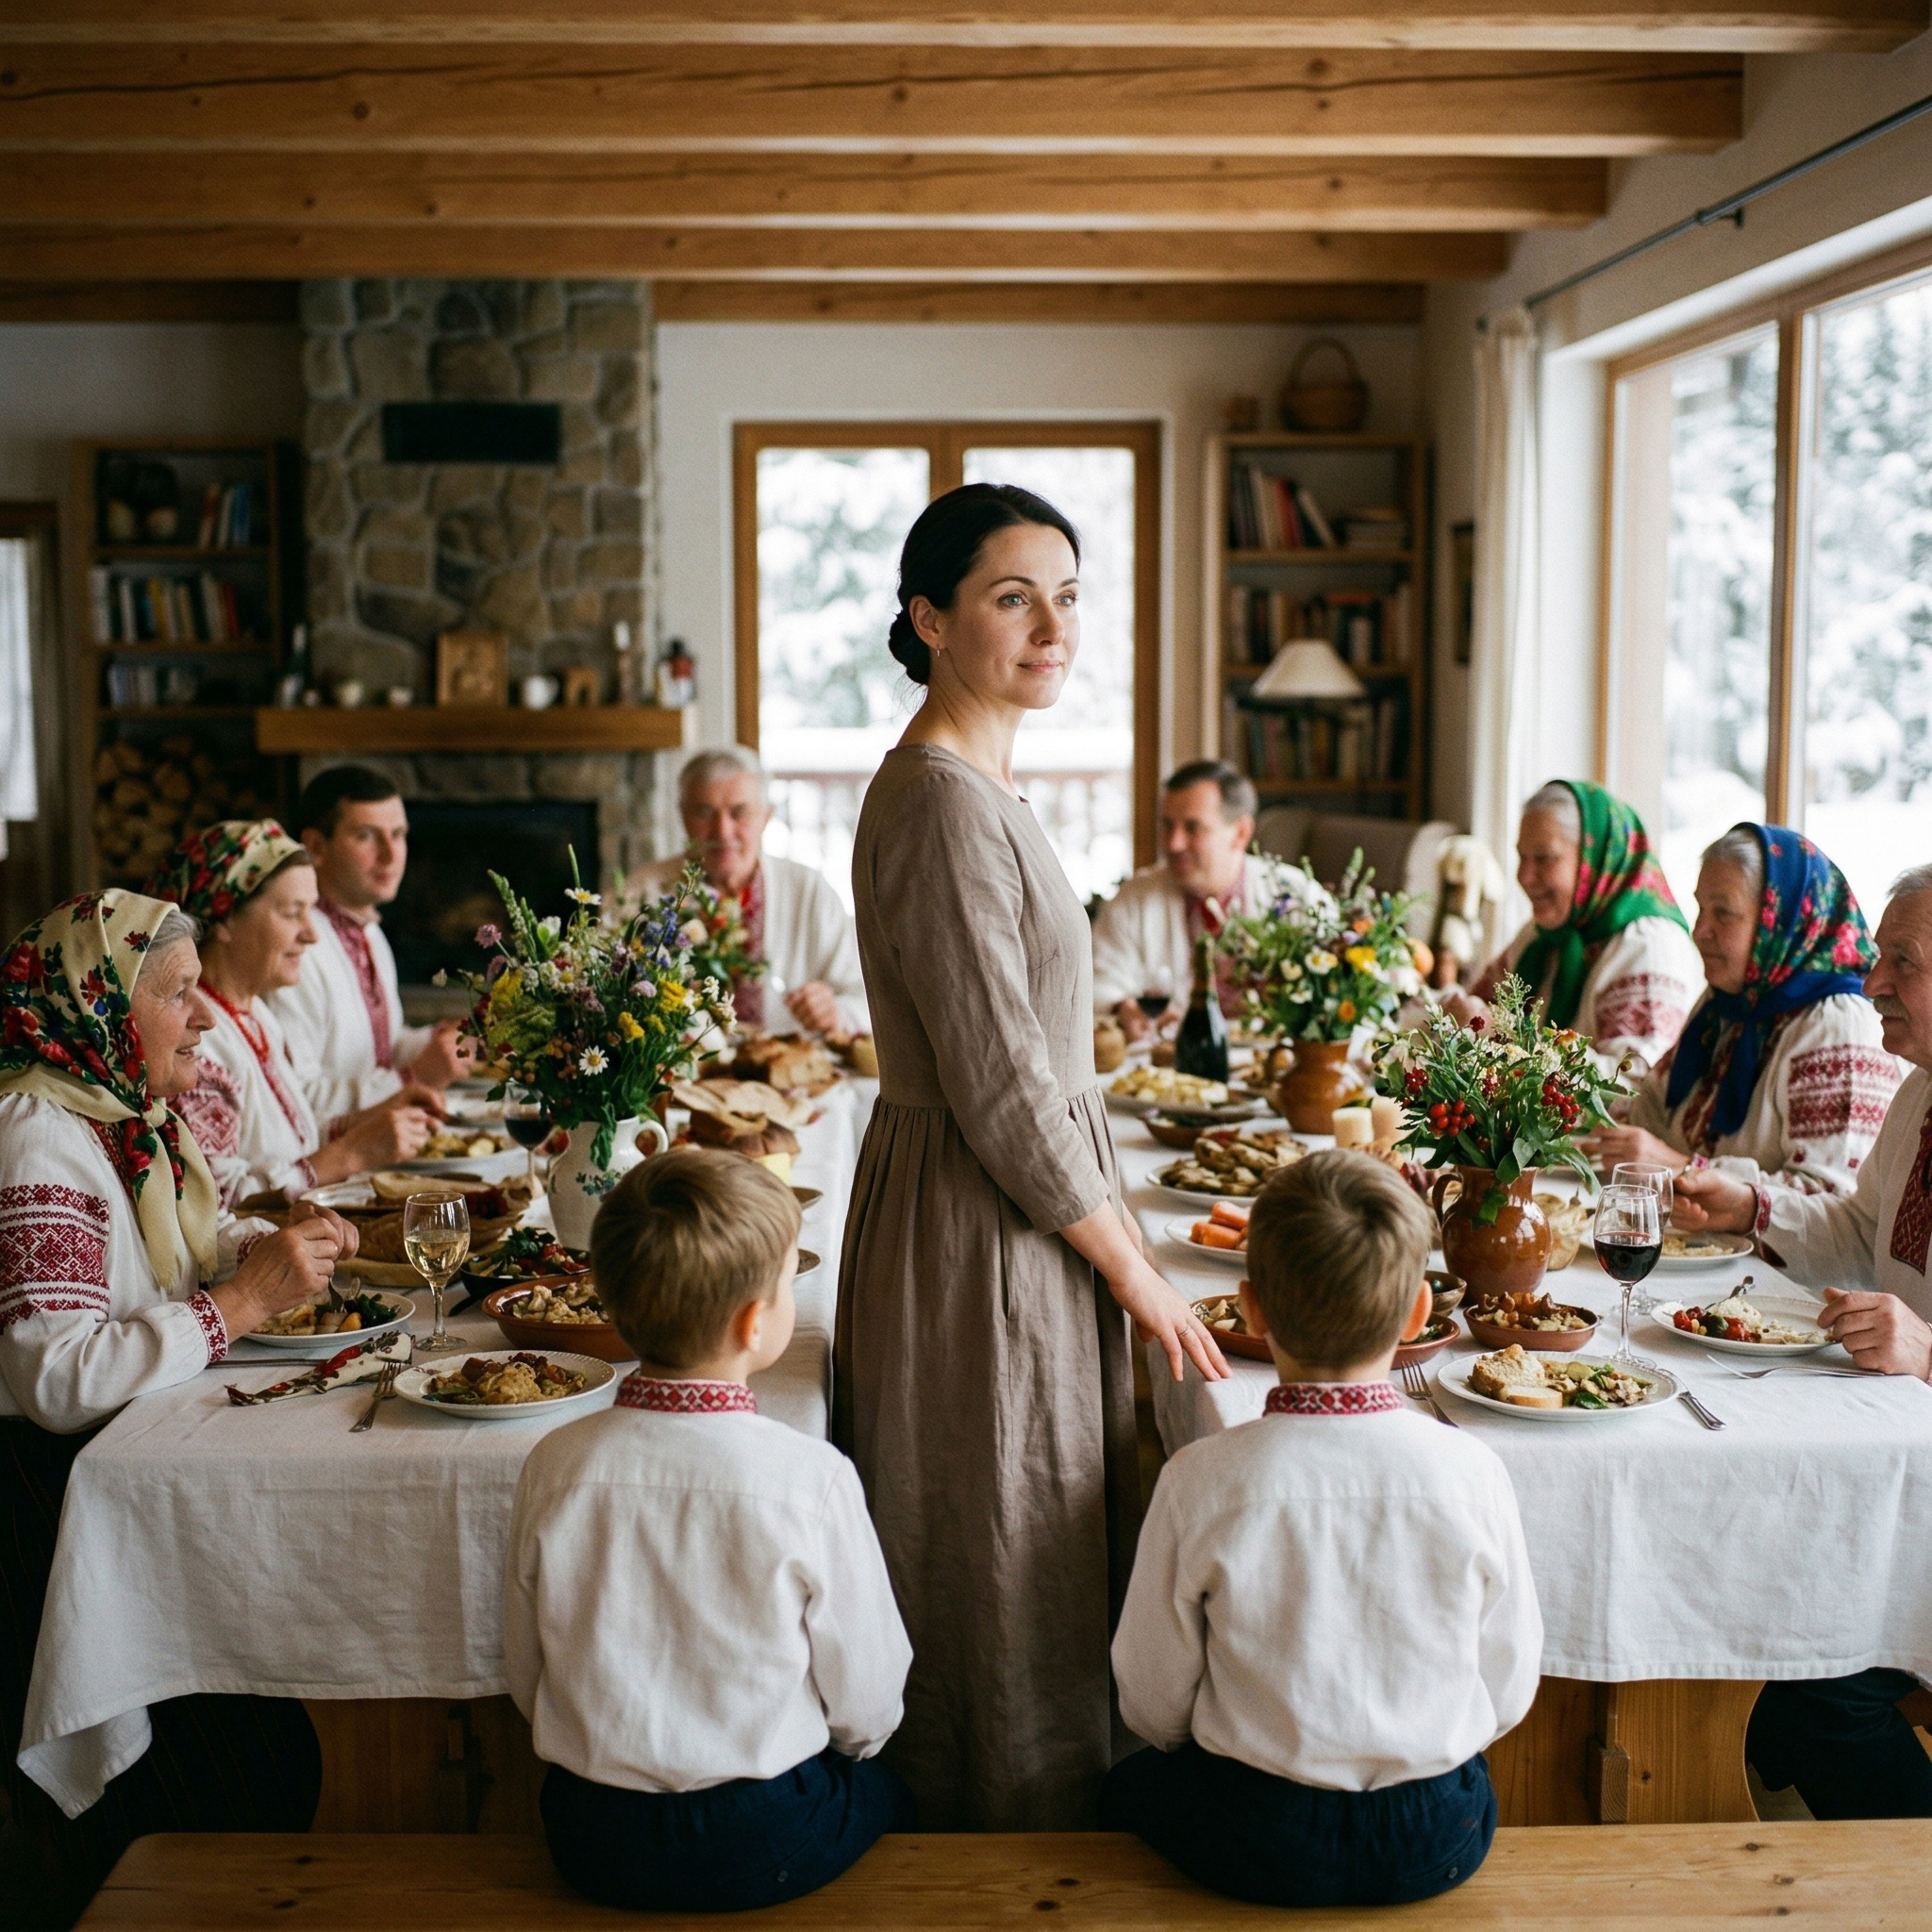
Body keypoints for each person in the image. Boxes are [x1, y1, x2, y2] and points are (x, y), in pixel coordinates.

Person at [835, 482, 1226, 1832]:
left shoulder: (984, 780)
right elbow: (1003, 1088)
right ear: (931, 619)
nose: (1054, 624)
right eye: (1015, 596)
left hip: (1011, 1204)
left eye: (1067, 594)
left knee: (1021, 1503)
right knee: (992, 1519)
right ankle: (993, 1837)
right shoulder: (943, 802)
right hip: (981, 1218)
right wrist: (1137, 1271)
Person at [0, 890, 358, 1920]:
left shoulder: (117, 1116)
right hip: (50, 1506)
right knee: (242, 1759)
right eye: (178, 993)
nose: (204, 1017)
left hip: (135, 1469)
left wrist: (261, 1252)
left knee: (279, 1702)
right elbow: (52, 1375)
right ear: (100, 1002)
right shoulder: (36, 1134)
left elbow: (157, 1274)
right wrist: (242, 1302)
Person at [1104, 1151, 1541, 1907]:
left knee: (1122, 1785)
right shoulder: (1474, 1472)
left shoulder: (1198, 1481)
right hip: (1435, 1832)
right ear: (1415, 1314)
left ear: (1251, 1309)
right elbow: (1507, 1687)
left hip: (1257, 1830)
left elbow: (1152, 1700)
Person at [506, 1148, 913, 1912]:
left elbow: (527, 1669)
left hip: (592, 1834)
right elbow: (869, 1695)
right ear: (756, 1321)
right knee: (892, 1790)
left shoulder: (553, 1464)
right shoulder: (809, 1478)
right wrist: (853, 1752)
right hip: (763, 1833)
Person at [1671, 863, 1932, 1824]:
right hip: (1896, 1457)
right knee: (1753, 1605)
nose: (1870, 984)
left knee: (1808, 1685)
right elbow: (1858, 1234)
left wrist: (1925, 1349)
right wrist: (1752, 1203)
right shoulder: (1916, 1095)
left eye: (1899, 962)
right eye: (1875, 958)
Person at [1584, 824, 1901, 1200]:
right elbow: (1652, 1104)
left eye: (1724, 913)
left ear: (1781, 919)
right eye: (1701, 908)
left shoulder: (1838, 1026)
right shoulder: (1725, 1005)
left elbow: (1832, 1199)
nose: (1700, 930)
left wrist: (1682, 1169)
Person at [150, 820, 437, 1206]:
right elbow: (216, 1202)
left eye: (311, 912)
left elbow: (289, 1144)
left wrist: (372, 1119)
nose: (312, 933)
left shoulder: (256, 1017)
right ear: (225, 919)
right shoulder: (196, 1041)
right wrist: (353, 1154)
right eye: (291, 913)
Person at [267, 766, 472, 1125]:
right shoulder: (295, 948)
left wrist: (439, 1040)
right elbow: (296, 1101)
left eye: (398, 834)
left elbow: (381, 1049)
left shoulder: (369, 931)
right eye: (366, 836)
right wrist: (415, 1077)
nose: (392, 856)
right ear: (315, 846)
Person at [1454, 779, 1701, 1076]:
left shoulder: (1646, 947)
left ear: (1593, 859)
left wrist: (1506, 1042)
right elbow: (1478, 1004)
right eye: (1522, 857)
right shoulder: (1541, 935)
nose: (1525, 876)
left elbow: (1633, 1089)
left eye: (1544, 858)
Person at [629, 747, 868, 1038]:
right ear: (682, 816)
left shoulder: (810, 892)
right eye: (704, 813)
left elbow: (867, 997)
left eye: (739, 813)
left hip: (789, 1068)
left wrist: (835, 1011)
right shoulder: (639, 894)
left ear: (766, 817)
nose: (722, 832)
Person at [1090, 760, 1325, 1037]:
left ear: (1241, 833)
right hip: (1170, 1066)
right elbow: (1097, 979)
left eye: (1193, 828)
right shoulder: (1134, 898)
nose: (1173, 844)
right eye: (1167, 825)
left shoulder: (1296, 893)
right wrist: (1121, 1007)